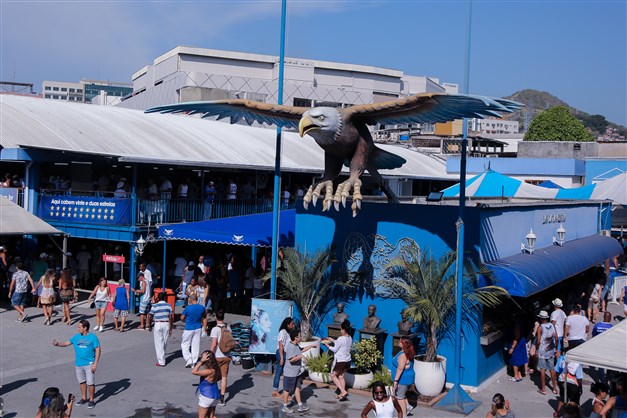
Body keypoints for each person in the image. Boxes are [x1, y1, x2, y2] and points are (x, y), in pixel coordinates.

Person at [52, 319, 101, 409]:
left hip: (89, 364)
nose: (77, 329)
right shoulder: (76, 337)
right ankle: (84, 398)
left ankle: (91, 400)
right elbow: (67, 343)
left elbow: (98, 350)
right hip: (78, 364)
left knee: (90, 383)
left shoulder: (93, 337)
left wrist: (95, 364)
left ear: (85, 328)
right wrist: (57, 344)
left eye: (79, 327)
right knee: (82, 382)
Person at [281, 329, 313, 413]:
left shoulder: (296, 345)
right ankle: (284, 406)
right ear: (295, 338)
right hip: (290, 373)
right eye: (299, 336)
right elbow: (291, 360)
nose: (301, 337)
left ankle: (300, 405)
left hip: (296, 372)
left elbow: (301, 350)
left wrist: (311, 346)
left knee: (297, 388)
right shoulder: (290, 347)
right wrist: (301, 356)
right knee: (287, 389)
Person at [321, 319, 352, 401]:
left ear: (344, 330)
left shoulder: (341, 338)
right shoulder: (349, 338)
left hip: (340, 361)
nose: (340, 330)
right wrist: (332, 340)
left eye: (341, 329)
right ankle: (342, 395)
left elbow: (334, 349)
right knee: (341, 376)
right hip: (347, 360)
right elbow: (340, 344)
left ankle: (343, 391)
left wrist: (327, 345)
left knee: (333, 376)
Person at [210, 310, 232, 406]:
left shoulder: (215, 329)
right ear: (223, 317)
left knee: (213, 375)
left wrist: (210, 353)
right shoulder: (228, 328)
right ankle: (222, 398)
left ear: (216, 318)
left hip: (217, 356)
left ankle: (213, 394)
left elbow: (214, 344)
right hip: (227, 356)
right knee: (224, 377)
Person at [192, 350, 222, 418]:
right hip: (215, 395)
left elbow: (193, 371)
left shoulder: (208, 371)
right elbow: (220, 377)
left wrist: (201, 361)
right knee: (212, 416)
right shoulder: (216, 368)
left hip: (206, 396)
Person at [535, 310, 558, 395]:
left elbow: (538, 341)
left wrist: (537, 350)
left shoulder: (540, 328)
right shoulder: (552, 325)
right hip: (551, 349)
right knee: (552, 369)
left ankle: (543, 389)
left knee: (542, 369)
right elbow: (556, 338)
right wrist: (556, 348)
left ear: (540, 318)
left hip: (543, 350)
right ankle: (554, 388)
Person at [272, 317, 296, 398]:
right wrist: (282, 357)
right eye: (292, 324)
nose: (293, 325)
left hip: (284, 353)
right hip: (281, 353)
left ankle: (277, 391)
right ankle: (281, 392)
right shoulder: (282, 332)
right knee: (282, 372)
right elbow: (280, 345)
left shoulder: (287, 333)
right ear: (287, 325)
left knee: (280, 371)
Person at [392, 335, 415, 416]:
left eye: (400, 341)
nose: (398, 342)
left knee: (399, 397)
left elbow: (400, 368)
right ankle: (408, 406)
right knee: (402, 394)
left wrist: (395, 381)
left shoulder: (402, 355)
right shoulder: (408, 352)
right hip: (409, 379)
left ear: (403, 343)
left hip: (402, 380)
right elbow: (407, 365)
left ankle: (404, 415)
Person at [181, 294, 206, 368]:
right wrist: (204, 328)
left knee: (185, 344)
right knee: (195, 345)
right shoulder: (202, 307)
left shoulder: (188, 308)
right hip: (198, 327)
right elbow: (204, 318)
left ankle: (189, 359)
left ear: (191, 299)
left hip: (189, 328)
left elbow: (182, 317)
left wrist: (184, 320)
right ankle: (194, 361)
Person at [149, 292, 173, 367]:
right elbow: (170, 317)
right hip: (166, 324)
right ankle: (162, 355)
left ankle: (161, 361)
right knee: (165, 341)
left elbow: (150, 316)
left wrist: (149, 325)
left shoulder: (154, 306)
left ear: (158, 298)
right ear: (165, 298)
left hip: (158, 324)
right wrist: (171, 328)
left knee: (158, 342)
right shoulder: (169, 306)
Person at [592, 311, 613, 384]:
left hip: (599, 347)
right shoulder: (612, 327)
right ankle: (606, 379)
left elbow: (593, 337)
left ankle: (602, 380)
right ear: (610, 318)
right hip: (607, 348)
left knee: (601, 365)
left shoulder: (597, 325)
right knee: (609, 365)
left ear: (604, 317)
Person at [507, 314, 528, 382]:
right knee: (520, 359)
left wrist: (512, 348)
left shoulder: (516, 326)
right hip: (522, 343)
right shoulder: (522, 323)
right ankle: (519, 375)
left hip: (517, 345)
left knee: (515, 360)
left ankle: (516, 376)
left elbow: (516, 338)